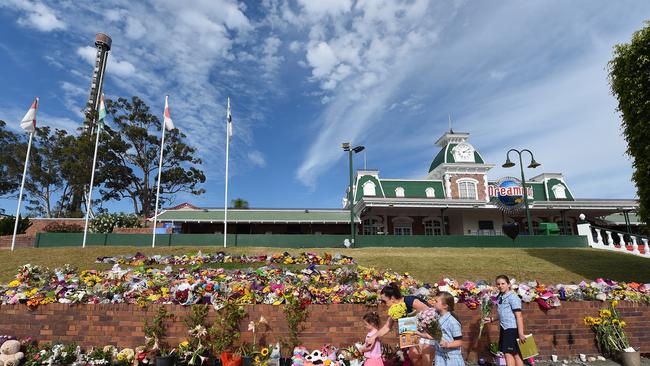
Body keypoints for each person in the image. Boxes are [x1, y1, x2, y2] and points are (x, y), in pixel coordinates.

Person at [367, 282, 433, 366]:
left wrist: (416, 324)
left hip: (428, 331)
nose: (383, 304)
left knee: (424, 356)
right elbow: (387, 327)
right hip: (414, 334)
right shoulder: (395, 309)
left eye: (384, 301)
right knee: (413, 355)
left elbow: (429, 312)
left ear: (392, 298)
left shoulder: (410, 301)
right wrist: (373, 337)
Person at [483, 275, 526, 366]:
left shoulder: (512, 297)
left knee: (508, 353)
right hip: (504, 329)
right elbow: (502, 313)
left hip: (511, 329)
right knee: (515, 353)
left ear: (509, 285)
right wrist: (492, 319)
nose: (500, 286)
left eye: (503, 283)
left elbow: (519, 316)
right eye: (498, 284)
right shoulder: (500, 296)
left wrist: (521, 333)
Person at [417, 291, 465, 366]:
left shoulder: (452, 322)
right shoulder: (438, 318)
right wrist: (418, 333)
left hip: (451, 358)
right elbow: (433, 336)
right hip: (439, 356)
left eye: (436, 301)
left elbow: (459, 342)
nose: (434, 302)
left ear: (445, 306)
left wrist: (447, 344)